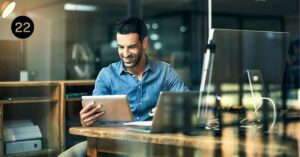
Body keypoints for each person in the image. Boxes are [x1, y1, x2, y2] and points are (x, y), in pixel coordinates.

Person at [59, 17, 189, 157]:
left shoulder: (165, 72)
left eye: (131, 47)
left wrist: (173, 111)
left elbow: (189, 104)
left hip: (149, 144)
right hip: (111, 142)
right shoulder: (107, 75)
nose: (125, 54)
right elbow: (95, 116)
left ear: (144, 43)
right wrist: (87, 120)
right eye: (121, 47)